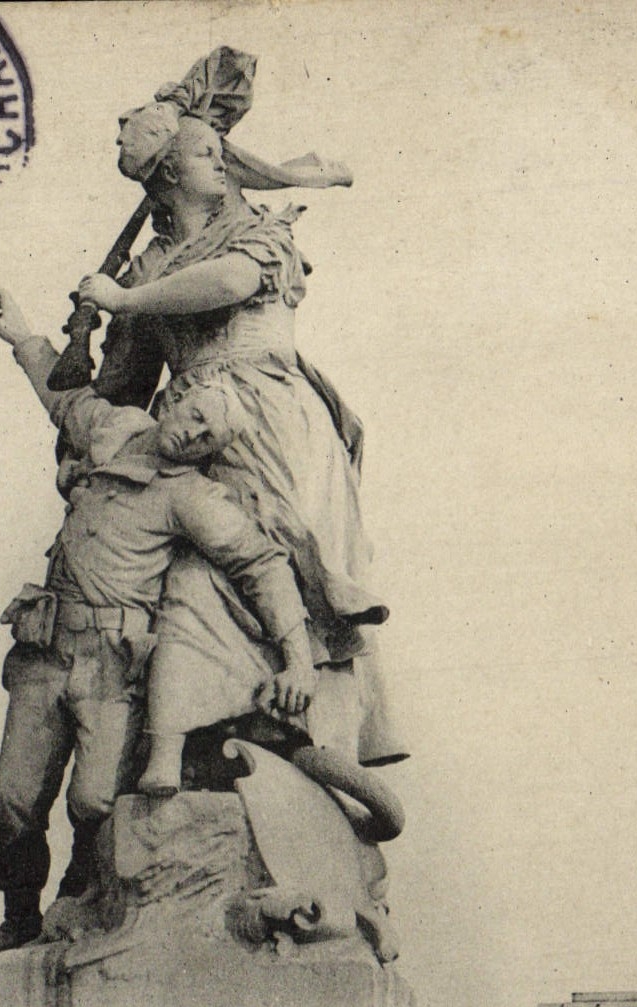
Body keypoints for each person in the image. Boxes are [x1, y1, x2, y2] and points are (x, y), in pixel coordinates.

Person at [78, 51, 406, 792]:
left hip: (275, 424)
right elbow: (123, 389)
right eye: (202, 152)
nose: (220, 161)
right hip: (193, 435)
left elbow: (231, 282)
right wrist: (71, 379)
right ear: (166, 174)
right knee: (194, 574)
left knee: (290, 569)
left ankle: (309, 732)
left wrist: (125, 302)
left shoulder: (260, 233)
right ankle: (202, 738)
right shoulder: (146, 268)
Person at [0, 286, 316, 965]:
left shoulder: (192, 498)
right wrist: (23, 335)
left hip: (111, 669)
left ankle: (80, 900)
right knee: (13, 801)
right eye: (194, 415)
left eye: (208, 435)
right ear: (173, 401)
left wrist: (297, 657)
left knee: (95, 801)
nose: (191, 432)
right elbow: (59, 397)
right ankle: (17, 916)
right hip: (47, 649)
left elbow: (262, 566)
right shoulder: (109, 430)